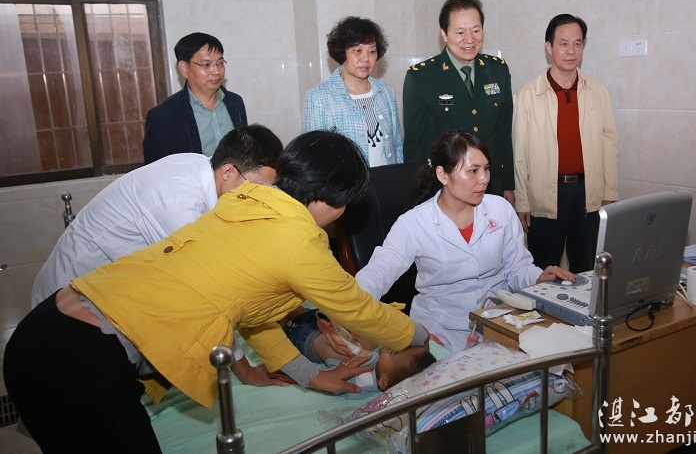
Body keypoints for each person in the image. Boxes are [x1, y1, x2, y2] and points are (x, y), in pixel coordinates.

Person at [4, 131, 429, 453]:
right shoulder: (300, 241)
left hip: (48, 329)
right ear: (331, 199)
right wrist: (419, 335)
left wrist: (312, 375)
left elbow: (253, 313)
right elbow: (358, 311)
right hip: (79, 358)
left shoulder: (245, 202)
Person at [355, 130, 574, 353]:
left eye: (486, 168)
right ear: (443, 175)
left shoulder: (500, 209)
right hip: (438, 331)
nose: (484, 178)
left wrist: (539, 277)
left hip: (498, 323)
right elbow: (379, 272)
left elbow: (517, 268)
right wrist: (348, 307)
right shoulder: (414, 223)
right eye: (473, 171)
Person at [32, 124, 283, 308]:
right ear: (228, 171)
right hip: (71, 294)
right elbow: (203, 284)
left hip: (108, 291)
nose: (260, 197)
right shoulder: (178, 200)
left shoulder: (203, 168)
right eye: (258, 188)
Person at [513, 14, 619, 273]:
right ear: (549, 47)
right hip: (546, 195)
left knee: (587, 269)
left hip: (588, 194)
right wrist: (523, 201)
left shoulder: (597, 90)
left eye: (577, 43)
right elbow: (519, 153)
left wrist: (610, 193)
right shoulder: (527, 95)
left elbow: (609, 143)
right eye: (563, 43)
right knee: (543, 269)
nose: (571, 51)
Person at [403, 0, 514, 202]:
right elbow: (414, 145)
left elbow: (503, 133)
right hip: (445, 190)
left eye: (476, 30)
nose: (470, 39)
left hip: (490, 185)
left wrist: (508, 183)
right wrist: (419, 195)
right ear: (444, 34)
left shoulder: (497, 70)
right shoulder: (422, 77)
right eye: (460, 32)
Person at [302, 16, 403, 166]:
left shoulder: (385, 92)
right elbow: (312, 157)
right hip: (346, 181)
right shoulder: (319, 97)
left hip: (387, 177)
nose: (366, 59)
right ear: (342, 52)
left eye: (372, 51)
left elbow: (397, 145)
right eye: (358, 51)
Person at [143, 32, 248, 164]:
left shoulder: (235, 103)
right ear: (184, 68)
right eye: (206, 64)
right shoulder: (163, 116)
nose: (216, 71)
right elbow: (154, 170)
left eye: (220, 63)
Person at [283, 307, 436, 397]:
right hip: (328, 322)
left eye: (393, 353)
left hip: (305, 336)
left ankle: (289, 318)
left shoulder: (362, 380)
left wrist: (296, 375)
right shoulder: (386, 362)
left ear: (383, 382)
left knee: (285, 313)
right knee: (301, 308)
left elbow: (332, 381)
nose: (392, 347)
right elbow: (421, 334)